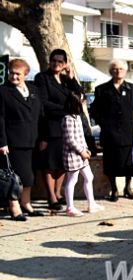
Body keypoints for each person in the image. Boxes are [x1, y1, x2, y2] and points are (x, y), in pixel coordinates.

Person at [33, 48, 83, 211]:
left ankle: (58, 193)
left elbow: (79, 96)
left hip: (66, 128)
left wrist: (71, 77)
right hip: (50, 126)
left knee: (62, 163)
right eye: (54, 60)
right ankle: (51, 197)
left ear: (65, 64)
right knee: (49, 163)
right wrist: (66, 110)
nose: (56, 64)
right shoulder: (42, 78)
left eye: (60, 61)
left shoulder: (66, 79)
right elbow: (43, 102)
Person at [0, 58, 44, 220]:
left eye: (18, 74)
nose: (14, 77)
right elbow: (0, 119)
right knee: (16, 176)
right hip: (13, 141)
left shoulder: (33, 90)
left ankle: (26, 203)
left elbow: (40, 114)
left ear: (25, 74)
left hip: (32, 140)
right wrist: (2, 142)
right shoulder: (3, 91)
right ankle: (14, 207)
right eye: (11, 73)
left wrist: (43, 138)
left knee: (29, 176)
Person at [90, 59, 133, 202]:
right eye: (115, 69)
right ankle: (114, 190)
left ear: (125, 71)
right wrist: (104, 123)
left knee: (129, 163)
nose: (118, 71)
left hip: (129, 133)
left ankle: (128, 188)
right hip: (110, 133)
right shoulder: (102, 89)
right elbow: (95, 110)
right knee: (111, 163)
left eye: (121, 69)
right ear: (110, 71)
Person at [62, 93, 103, 217]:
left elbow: (81, 136)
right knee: (72, 179)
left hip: (81, 155)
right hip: (73, 155)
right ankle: (70, 207)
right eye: (82, 101)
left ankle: (91, 203)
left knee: (89, 177)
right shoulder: (67, 119)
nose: (84, 103)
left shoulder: (77, 117)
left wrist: (86, 149)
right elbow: (70, 139)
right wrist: (81, 151)